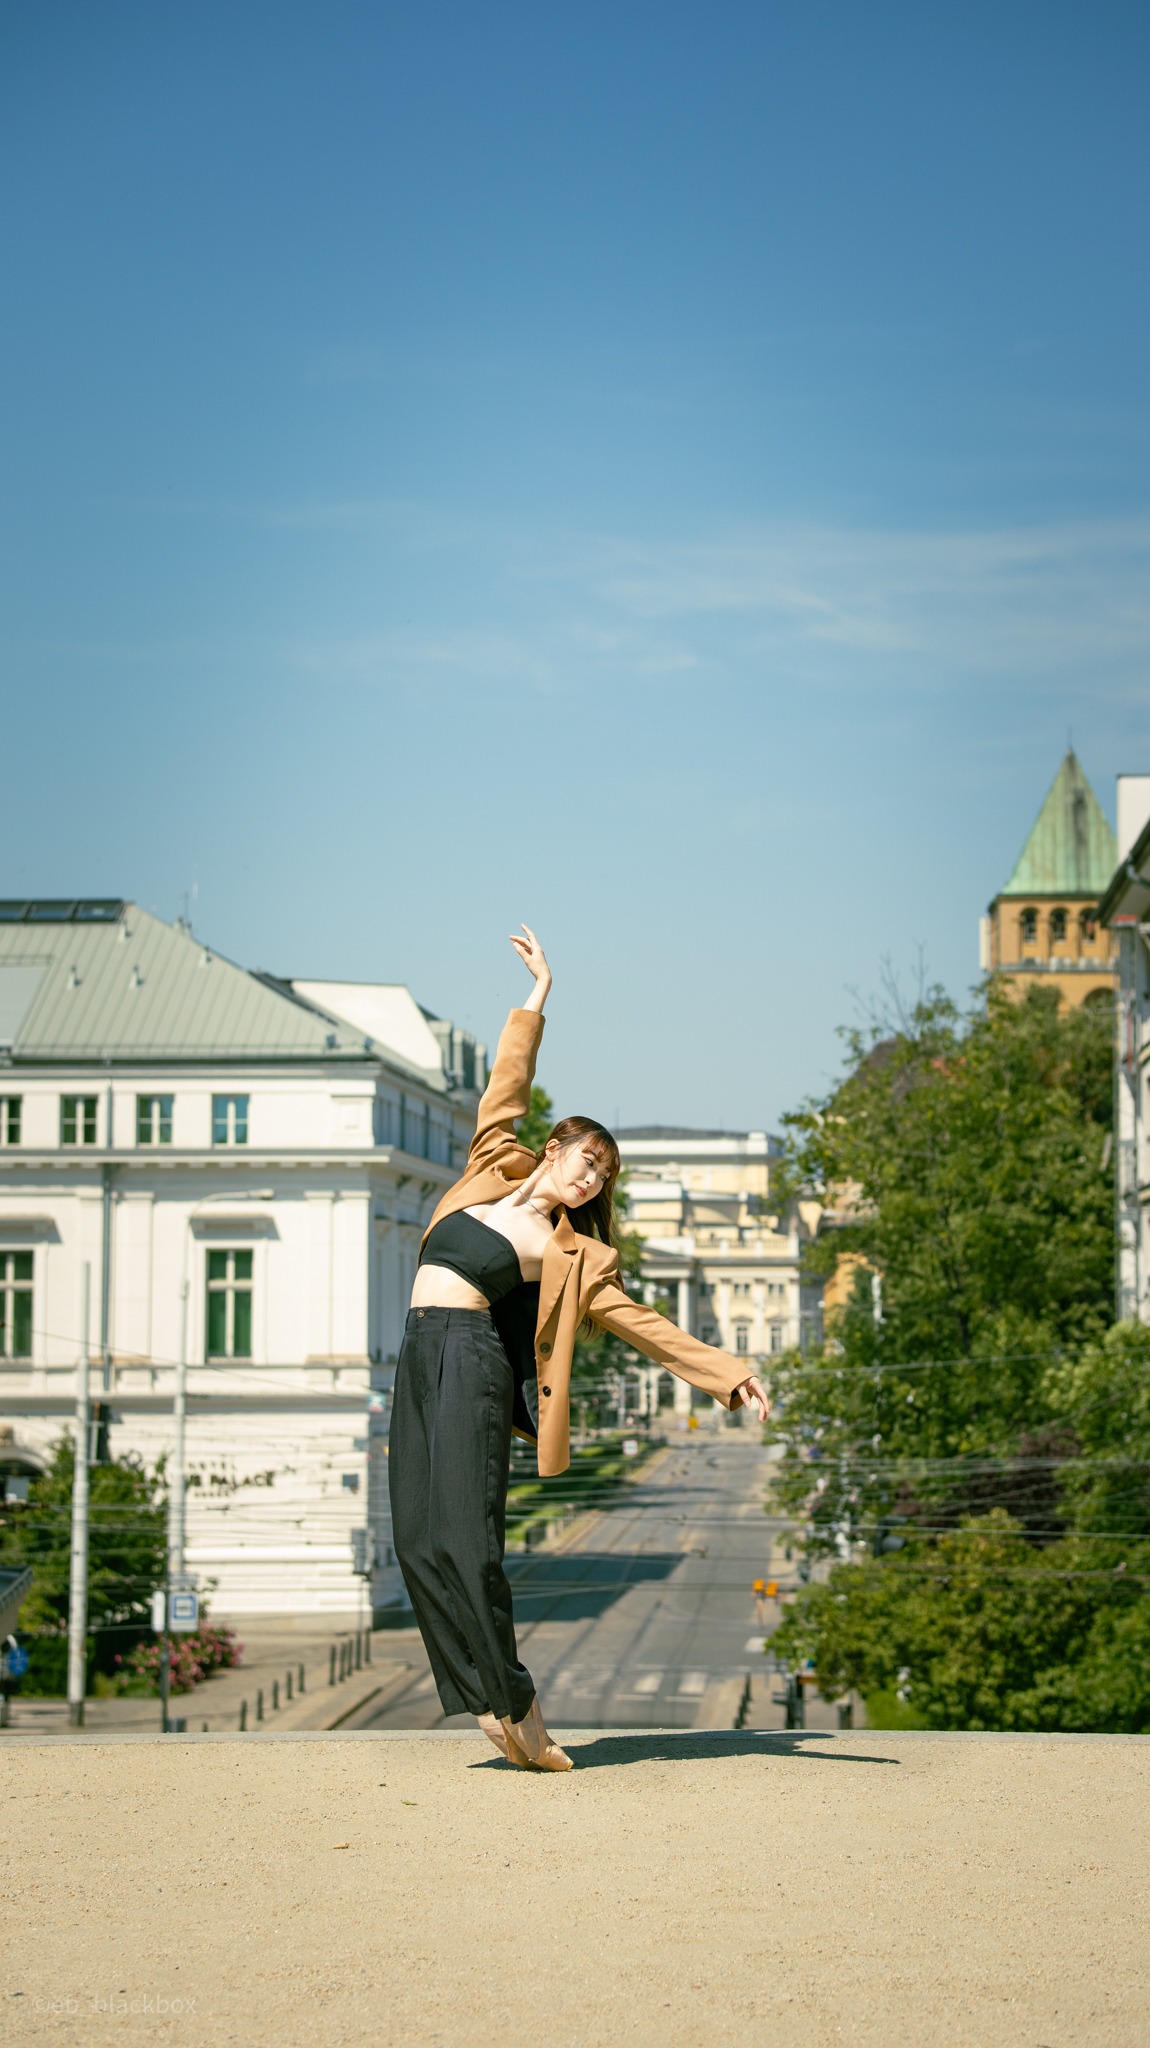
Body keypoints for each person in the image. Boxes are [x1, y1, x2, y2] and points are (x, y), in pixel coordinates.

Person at [388, 927, 770, 1771]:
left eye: (605, 1174)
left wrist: (730, 1375)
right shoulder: (492, 1165)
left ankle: (517, 1703)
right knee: (415, 1538)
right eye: (586, 1159)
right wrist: (538, 994)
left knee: (467, 1540)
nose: (592, 1178)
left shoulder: (575, 1252)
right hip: (416, 1355)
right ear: (555, 1148)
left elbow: (645, 1324)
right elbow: (505, 1085)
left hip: (472, 1361)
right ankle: (488, 1699)